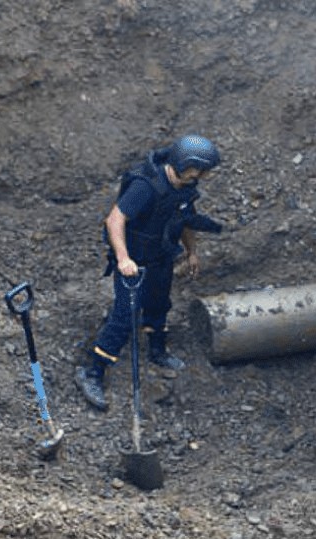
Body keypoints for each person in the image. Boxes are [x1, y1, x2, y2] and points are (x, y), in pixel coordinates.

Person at [76, 134, 223, 411]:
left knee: (158, 304)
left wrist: (192, 251)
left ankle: (157, 350)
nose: (204, 175)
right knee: (125, 315)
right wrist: (123, 259)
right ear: (185, 163)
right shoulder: (146, 186)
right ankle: (92, 372)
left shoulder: (185, 186)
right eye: (200, 169)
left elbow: (184, 218)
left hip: (161, 256)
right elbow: (115, 220)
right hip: (134, 261)